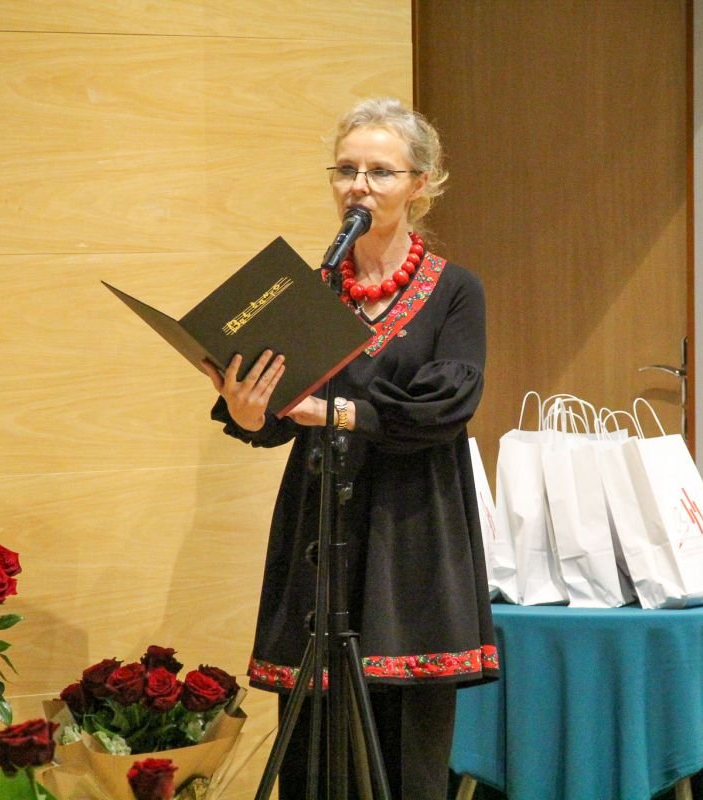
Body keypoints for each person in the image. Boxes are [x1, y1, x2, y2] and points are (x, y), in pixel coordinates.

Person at [203, 97, 497, 800]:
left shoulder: (456, 290)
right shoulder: (308, 289)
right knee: (311, 740)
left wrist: (330, 411)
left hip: (411, 530)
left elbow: (445, 406)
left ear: (420, 183)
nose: (358, 187)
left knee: (406, 749)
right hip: (320, 524)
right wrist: (248, 409)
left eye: (380, 172)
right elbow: (277, 417)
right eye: (346, 170)